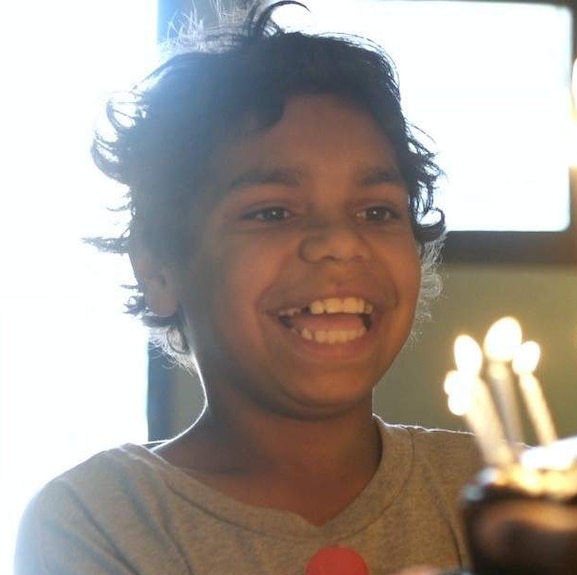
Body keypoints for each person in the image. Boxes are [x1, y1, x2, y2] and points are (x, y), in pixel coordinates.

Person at [14, 2, 481, 574]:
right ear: (160, 270)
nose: (339, 242)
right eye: (273, 212)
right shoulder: (104, 518)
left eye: (377, 211)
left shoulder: (507, 492)